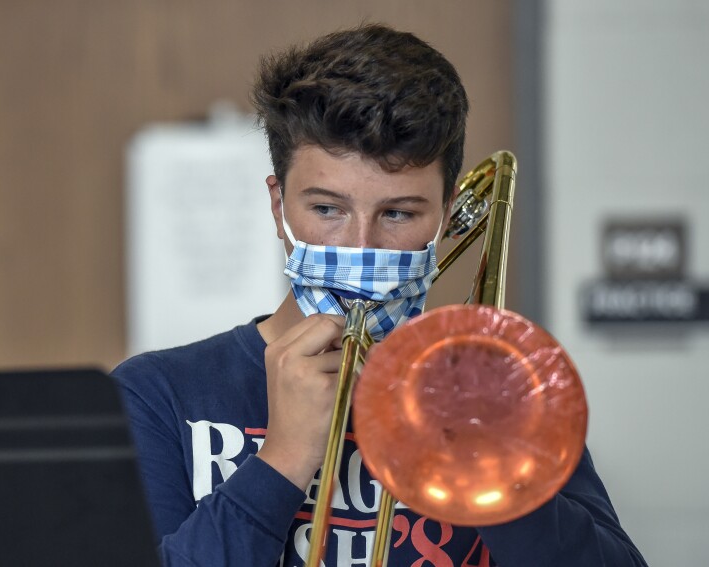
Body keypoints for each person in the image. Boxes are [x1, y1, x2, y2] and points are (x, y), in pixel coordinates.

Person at [112, 24, 647, 567]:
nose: (361, 245)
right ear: (279, 209)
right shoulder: (156, 396)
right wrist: (282, 460)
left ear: (446, 215)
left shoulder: (503, 396)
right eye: (326, 209)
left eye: (398, 213)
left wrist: (497, 461)